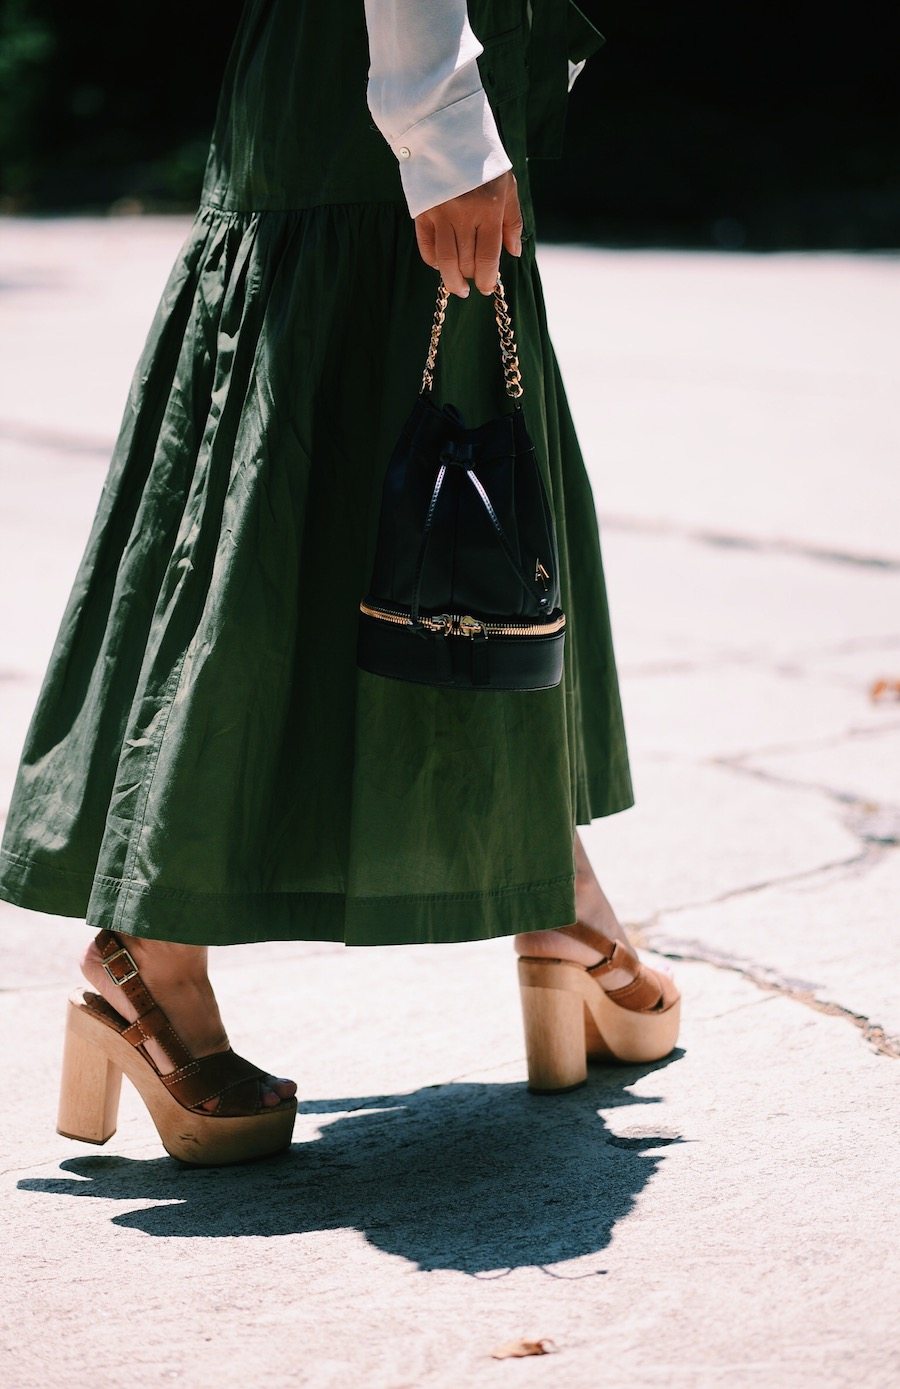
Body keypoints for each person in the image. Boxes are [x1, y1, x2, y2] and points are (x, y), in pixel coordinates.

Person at [0, 0, 679, 1165]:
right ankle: (147, 953)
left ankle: (550, 883)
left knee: (451, 516)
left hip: (405, 82)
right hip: (374, 92)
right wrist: (441, 125)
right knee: (303, 514)